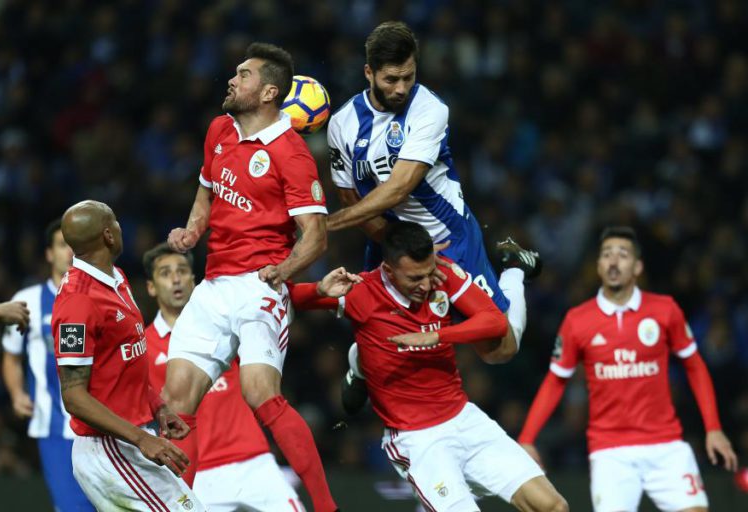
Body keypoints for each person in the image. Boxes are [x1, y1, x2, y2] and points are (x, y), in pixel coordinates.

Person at [325, 21, 540, 412]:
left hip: (449, 238)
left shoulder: (430, 109)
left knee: (500, 349)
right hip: (390, 238)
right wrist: (396, 245)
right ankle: (358, 366)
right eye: (391, 79)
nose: (401, 88)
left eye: (409, 76)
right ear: (368, 72)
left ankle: (513, 268)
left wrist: (327, 225)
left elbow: (401, 185)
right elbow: (348, 195)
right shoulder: (341, 124)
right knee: (381, 330)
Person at [164, 42, 337, 512]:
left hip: (260, 288)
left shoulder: (292, 154)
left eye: (243, 75)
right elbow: (206, 194)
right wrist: (192, 231)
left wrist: (282, 272)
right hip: (214, 285)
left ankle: (326, 507)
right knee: (174, 399)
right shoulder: (219, 130)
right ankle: (179, 505)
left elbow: (315, 236)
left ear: (269, 92)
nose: (232, 80)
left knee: (259, 392)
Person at [291, 221, 568, 512]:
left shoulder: (441, 273)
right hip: (417, 439)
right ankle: (359, 362)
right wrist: (319, 289)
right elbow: (289, 296)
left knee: (553, 507)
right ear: (388, 270)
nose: (425, 285)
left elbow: (495, 322)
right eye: (414, 278)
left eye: (427, 274)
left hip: (463, 418)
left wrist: (437, 335)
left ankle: (359, 360)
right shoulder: (361, 293)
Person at [518, 226, 739, 512]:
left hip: (666, 445)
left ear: (637, 267)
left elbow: (694, 366)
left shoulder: (665, 310)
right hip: (610, 451)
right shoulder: (577, 320)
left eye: (622, 255)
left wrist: (714, 428)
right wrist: (526, 438)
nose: (613, 261)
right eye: (607, 254)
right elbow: (556, 381)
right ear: (598, 266)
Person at [52, 200, 205, 511]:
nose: (122, 228)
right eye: (117, 223)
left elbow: (123, 365)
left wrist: (158, 407)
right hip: (108, 449)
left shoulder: (116, 279)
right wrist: (141, 439)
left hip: (129, 439)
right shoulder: (77, 302)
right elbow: (74, 397)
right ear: (109, 235)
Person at [143, 242, 304, 511]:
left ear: (194, 280)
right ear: (151, 287)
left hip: (254, 460)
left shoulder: (226, 321)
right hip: (197, 470)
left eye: (182, 270)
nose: (176, 278)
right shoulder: (144, 346)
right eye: (165, 272)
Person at [1, 219, 94, 511]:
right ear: (49, 254)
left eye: (74, 245)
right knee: (71, 506)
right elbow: (11, 356)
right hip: (53, 425)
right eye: (62, 244)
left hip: (99, 424)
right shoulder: (26, 302)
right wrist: (17, 394)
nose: (69, 251)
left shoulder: (97, 298)